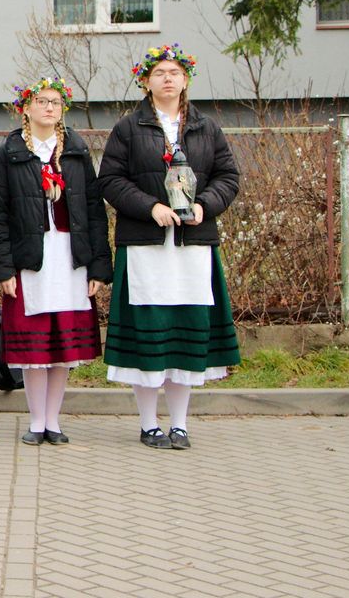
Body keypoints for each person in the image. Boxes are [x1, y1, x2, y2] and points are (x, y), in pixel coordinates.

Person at [97, 44, 241, 450]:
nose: (167, 78)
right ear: (146, 80)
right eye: (159, 72)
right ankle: (148, 424)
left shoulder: (206, 128)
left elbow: (228, 177)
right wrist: (151, 207)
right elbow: (109, 180)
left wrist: (203, 206)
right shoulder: (128, 128)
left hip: (193, 247)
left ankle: (179, 424)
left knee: (186, 332)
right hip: (145, 247)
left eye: (174, 72)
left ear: (185, 80)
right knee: (148, 334)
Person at [0, 78, 110, 446]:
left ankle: (54, 420)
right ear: (26, 108)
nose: (49, 108)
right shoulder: (8, 154)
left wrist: (98, 265)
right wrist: (2, 268)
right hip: (30, 259)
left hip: (70, 257)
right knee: (35, 347)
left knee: (61, 347)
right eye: (41, 101)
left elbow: (94, 211)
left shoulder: (76, 152)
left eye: (55, 102)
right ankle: (36, 421)